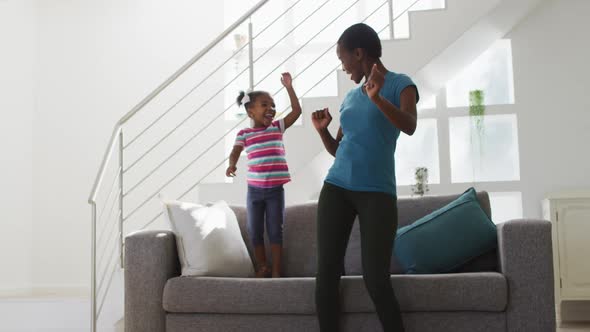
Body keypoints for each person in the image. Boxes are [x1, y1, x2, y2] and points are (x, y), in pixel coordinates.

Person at [311, 23, 419, 331]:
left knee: (376, 278)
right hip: (336, 188)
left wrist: (378, 99)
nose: (342, 66)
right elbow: (340, 149)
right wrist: (323, 133)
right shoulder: (350, 97)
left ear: (359, 53)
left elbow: (409, 125)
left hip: (377, 193)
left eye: (342, 58)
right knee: (327, 274)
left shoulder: (402, 84)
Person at [226, 72, 302, 278]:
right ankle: (262, 266)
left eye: (273, 105)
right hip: (255, 192)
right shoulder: (244, 134)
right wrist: (231, 164)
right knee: (254, 230)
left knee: (276, 231)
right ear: (250, 112)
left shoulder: (277, 127)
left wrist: (289, 87)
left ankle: (276, 270)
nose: (271, 109)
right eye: (265, 105)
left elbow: (296, 110)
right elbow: (235, 151)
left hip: (275, 191)